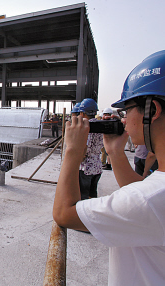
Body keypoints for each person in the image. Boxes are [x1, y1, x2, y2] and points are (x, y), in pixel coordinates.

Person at [53, 50, 165, 285]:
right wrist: (114, 152)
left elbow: (63, 213)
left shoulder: (148, 200)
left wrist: (72, 150)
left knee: (84, 197)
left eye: (126, 111)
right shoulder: (153, 194)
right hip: (96, 167)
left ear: (152, 111)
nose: (122, 120)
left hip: (88, 167)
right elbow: (141, 190)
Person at [77, 98, 104, 199]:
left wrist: (78, 160)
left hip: (86, 167)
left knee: (83, 195)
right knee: (92, 193)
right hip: (97, 165)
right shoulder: (99, 125)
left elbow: (85, 146)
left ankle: (84, 214)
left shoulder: (87, 126)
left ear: (83, 113)